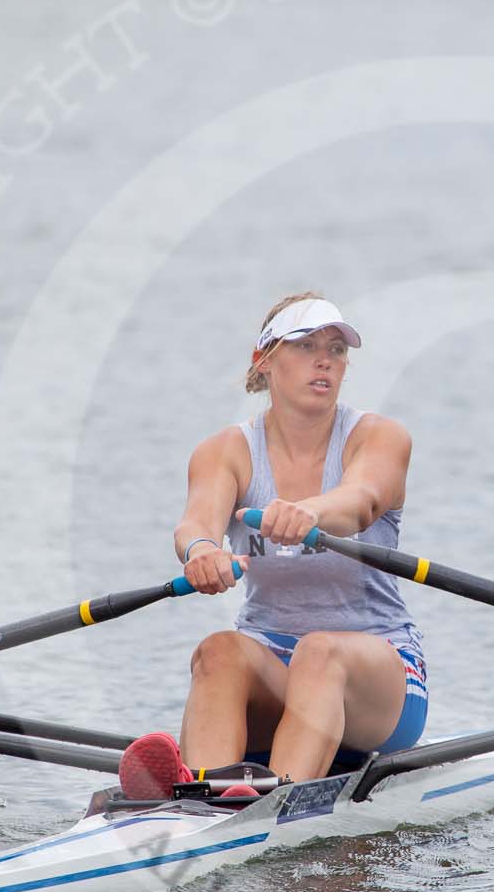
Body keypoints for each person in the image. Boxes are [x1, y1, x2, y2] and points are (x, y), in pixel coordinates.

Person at [118, 293, 427, 799]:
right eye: (305, 345)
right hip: (275, 668)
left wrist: (311, 513)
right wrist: (201, 552)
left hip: (380, 676)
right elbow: (196, 523)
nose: (325, 359)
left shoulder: (380, 437)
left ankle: (277, 802)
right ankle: (204, 803)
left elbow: (361, 502)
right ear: (264, 361)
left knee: (319, 651)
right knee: (218, 650)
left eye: (337, 348)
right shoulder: (224, 452)